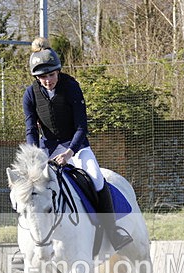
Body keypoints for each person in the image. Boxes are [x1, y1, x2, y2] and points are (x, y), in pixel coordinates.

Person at [23, 37, 132, 251]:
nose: (48, 80)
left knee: (96, 177)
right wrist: (33, 157)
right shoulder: (30, 94)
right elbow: (31, 129)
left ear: (58, 71)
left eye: (51, 75)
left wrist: (69, 153)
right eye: (42, 76)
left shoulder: (71, 86)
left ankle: (113, 232)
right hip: (48, 149)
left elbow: (82, 126)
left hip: (77, 146)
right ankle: (26, 246)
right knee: (29, 189)